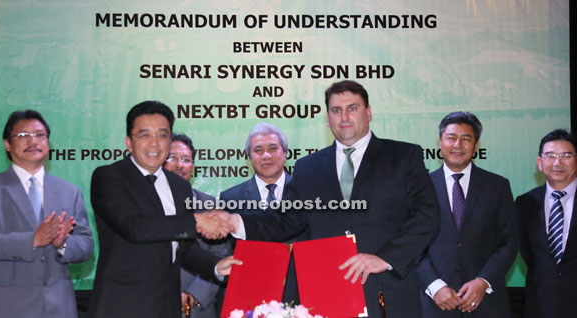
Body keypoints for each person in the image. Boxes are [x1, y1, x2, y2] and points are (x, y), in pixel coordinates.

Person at [214, 80, 440, 317]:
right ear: (327, 118)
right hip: (326, 298)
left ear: (369, 112)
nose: (344, 117)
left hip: (387, 292)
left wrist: (385, 258)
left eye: (352, 108)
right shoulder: (308, 167)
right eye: (336, 110)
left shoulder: (403, 156)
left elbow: (427, 215)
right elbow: (286, 221)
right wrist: (235, 222)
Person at [88, 101, 240, 318]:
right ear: (129, 142)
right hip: (123, 306)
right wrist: (197, 221)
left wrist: (216, 266)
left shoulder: (179, 187)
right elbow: (135, 227)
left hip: (168, 307)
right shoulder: (109, 177)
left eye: (162, 135)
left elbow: (182, 247)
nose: (154, 143)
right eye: (144, 135)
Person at [0, 110, 93, 318]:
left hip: (58, 307)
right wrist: (33, 240)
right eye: (23, 135)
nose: (33, 141)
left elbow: (86, 245)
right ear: (7, 144)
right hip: (3, 307)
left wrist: (62, 244)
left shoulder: (69, 191)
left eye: (40, 135)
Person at [416, 112, 519, 317]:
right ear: (440, 142)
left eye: (466, 138)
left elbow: (509, 241)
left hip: (487, 303)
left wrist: (483, 282)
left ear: (476, 144)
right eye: (451, 137)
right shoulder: (419, 187)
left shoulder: (497, 186)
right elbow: (412, 245)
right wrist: (435, 286)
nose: (458, 144)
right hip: (435, 304)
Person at [219, 122, 299, 304]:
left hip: (300, 294)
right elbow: (225, 251)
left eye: (273, 148)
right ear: (249, 157)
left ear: (285, 153)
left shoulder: (306, 192)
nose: (266, 156)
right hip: (249, 294)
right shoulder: (230, 198)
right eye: (258, 150)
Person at [164, 133, 230, 318]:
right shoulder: (147, 203)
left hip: (197, 310)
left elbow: (220, 256)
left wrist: (192, 296)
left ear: (193, 167)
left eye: (186, 160)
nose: (180, 165)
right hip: (152, 304)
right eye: (172, 158)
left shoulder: (210, 205)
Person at [515, 129, 577, 318]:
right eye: (550, 156)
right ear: (540, 163)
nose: (558, 163)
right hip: (540, 305)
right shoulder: (524, 203)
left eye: (566, 155)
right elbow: (527, 253)